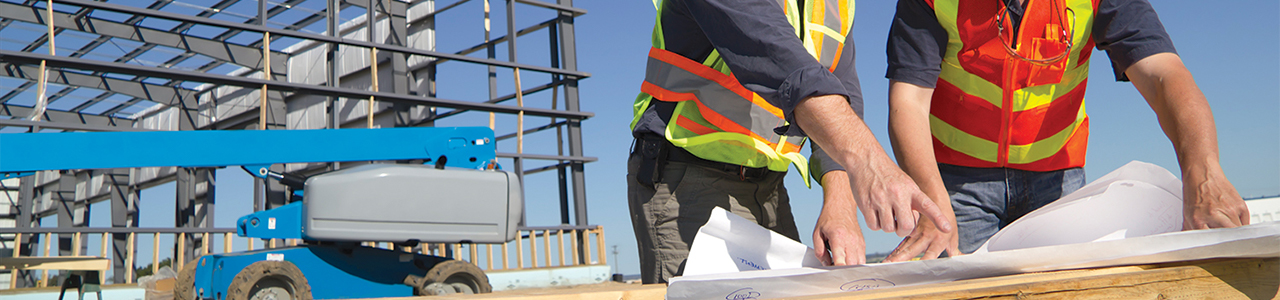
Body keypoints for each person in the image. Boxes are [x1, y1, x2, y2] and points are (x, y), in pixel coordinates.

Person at [854, 0, 1251, 261]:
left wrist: (1203, 170)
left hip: (1057, 178)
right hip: (955, 185)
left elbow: (1165, 75)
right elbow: (908, 101)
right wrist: (932, 198)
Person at [628, 0, 953, 284]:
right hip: (684, 180)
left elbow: (842, 93)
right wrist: (869, 162)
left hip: (768, 188)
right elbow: (781, 62)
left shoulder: (835, 4)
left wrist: (840, 202)